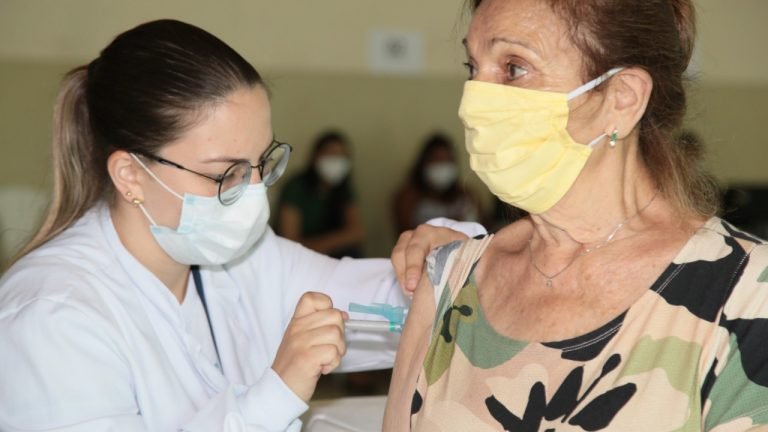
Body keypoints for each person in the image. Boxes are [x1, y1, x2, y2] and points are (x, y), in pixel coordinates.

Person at [0, 20, 484, 432]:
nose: (254, 191)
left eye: (260, 163)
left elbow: (393, 306)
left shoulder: (243, 260)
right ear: (130, 176)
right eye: (225, 174)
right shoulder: (52, 317)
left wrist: (452, 262)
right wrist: (277, 392)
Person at [385, 0, 768, 431]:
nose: (474, 100)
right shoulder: (449, 280)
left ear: (622, 98)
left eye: (514, 68)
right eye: (472, 67)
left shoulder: (745, 295)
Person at [277, 130, 365, 258]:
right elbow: (289, 240)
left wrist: (322, 245)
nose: (336, 161)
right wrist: (335, 241)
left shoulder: (344, 189)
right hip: (299, 258)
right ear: (315, 156)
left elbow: (357, 233)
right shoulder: (296, 187)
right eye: (331, 154)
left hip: (329, 256)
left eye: (342, 156)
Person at [393, 132, 484, 234]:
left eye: (448, 160)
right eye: (437, 159)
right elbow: (405, 234)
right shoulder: (408, 198)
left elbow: (487, 228)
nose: (443, 166)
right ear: (424, 163)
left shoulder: (467, 195)